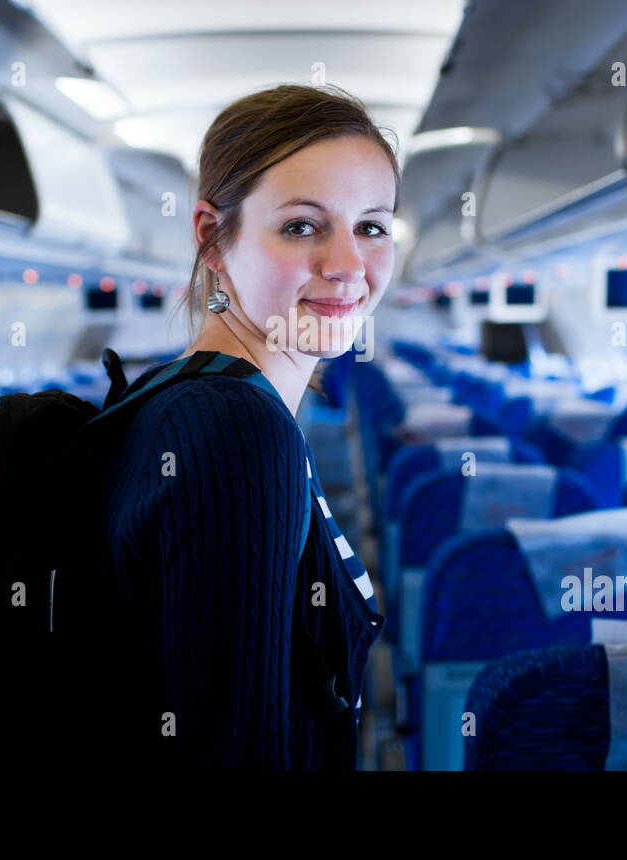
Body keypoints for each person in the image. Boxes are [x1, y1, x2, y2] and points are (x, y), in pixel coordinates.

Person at [101, 83, 399, 769]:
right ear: (212, 237)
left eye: (372, 226)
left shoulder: (180, 394)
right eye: (302, 226)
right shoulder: (234, 432)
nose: (348, 265)